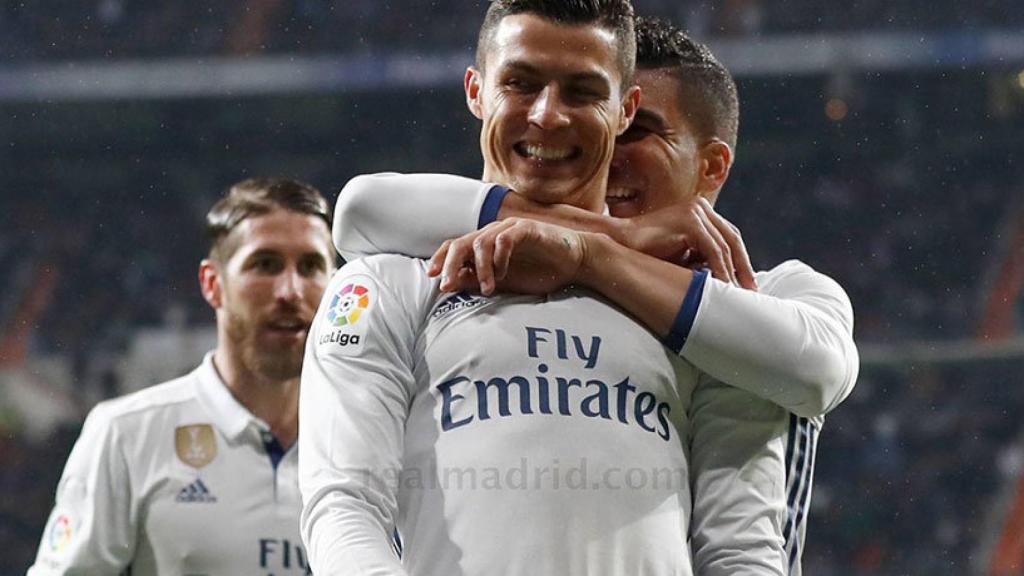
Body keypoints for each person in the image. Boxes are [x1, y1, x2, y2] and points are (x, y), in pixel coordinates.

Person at [327, 17, 858, 576]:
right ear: (476, 93)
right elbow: (362, 207)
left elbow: (742, 542)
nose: (607, 154)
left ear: (712, 165)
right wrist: (607, 238)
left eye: (638, 131)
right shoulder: (421, 275)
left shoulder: (753, 299)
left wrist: (593, 252)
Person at [298, 2, 714, 574]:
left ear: (625, 110)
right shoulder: (389, 282)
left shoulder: (678, 299)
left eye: (581, 92)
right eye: (520, 83)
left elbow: (736, 533)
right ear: (476, 91)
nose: (547, 116)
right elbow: (344, 504)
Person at [29, 178, 336, 575]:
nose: (290, 290)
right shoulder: (127, 435)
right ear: (213, 284)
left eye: (311, 266)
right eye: (266, 264)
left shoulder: (369, 442)